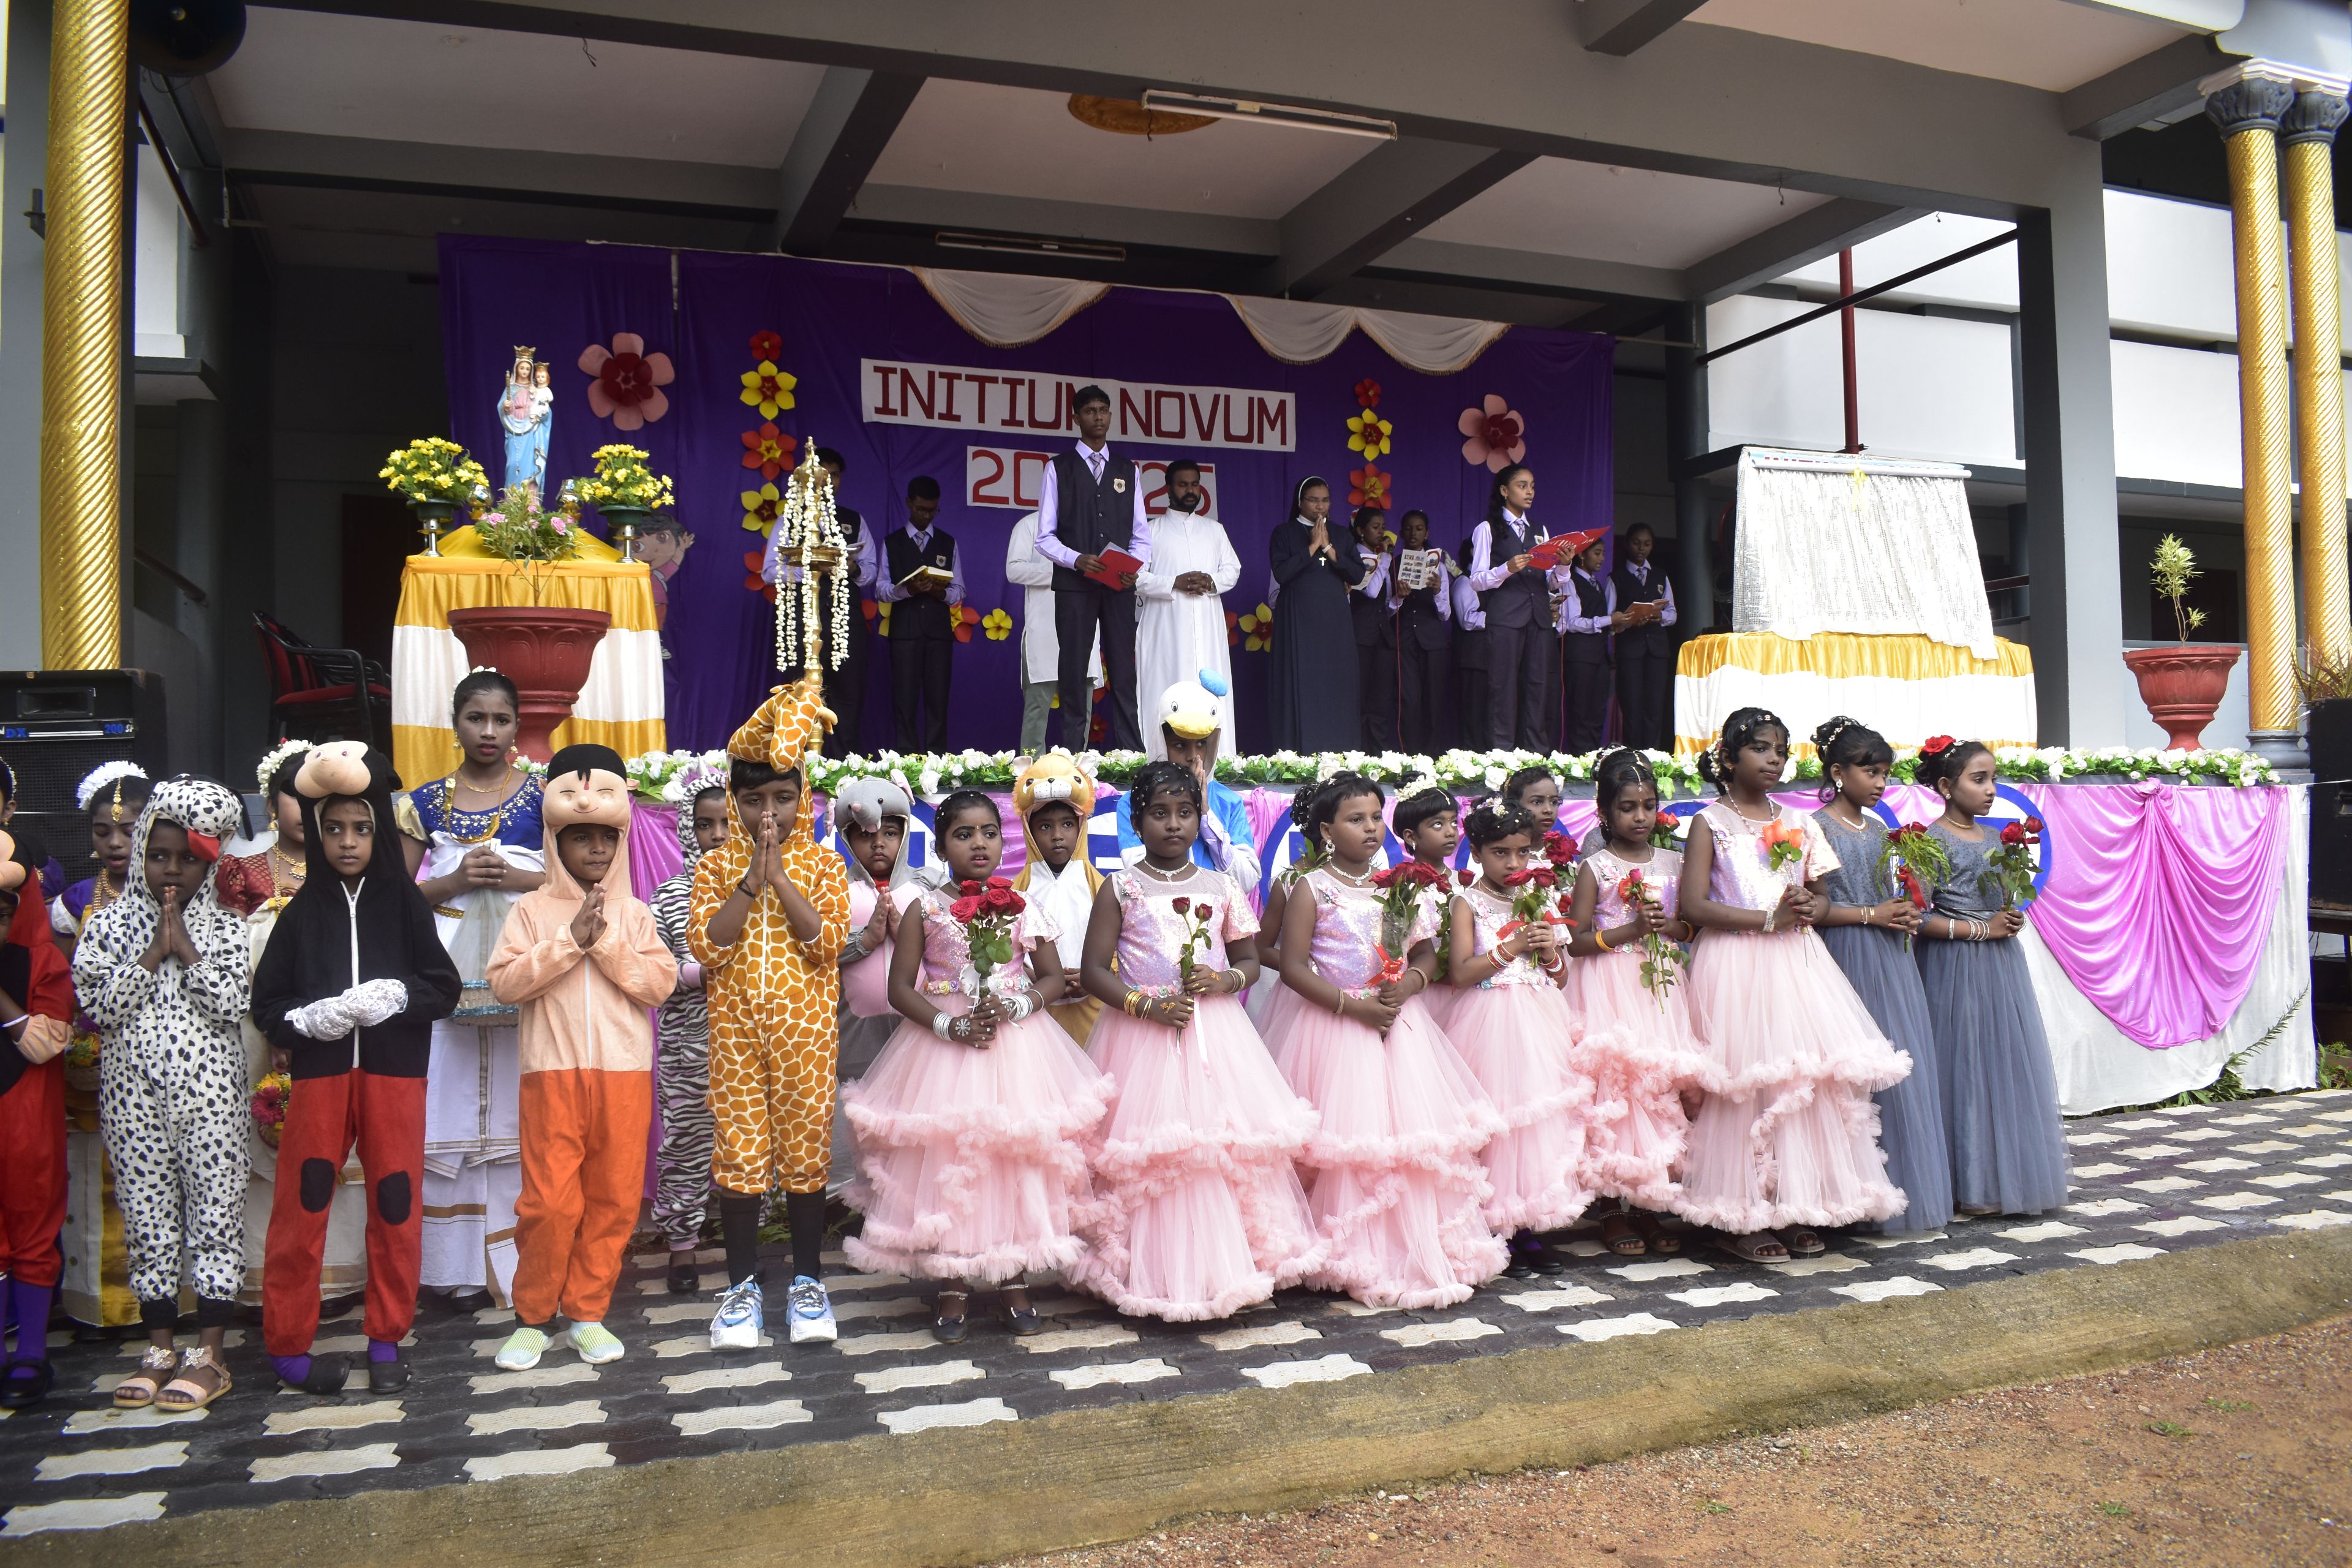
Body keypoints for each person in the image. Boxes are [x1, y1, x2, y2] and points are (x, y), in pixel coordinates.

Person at [843, 791, 1110, 1343]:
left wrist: (1017, 1005)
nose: (979, 844)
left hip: (1016, 1049)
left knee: (1012, 1159)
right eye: (963, 835)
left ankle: (1014, 1278)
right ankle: (953, 1283)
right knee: (954, 1164)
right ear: (941, 847)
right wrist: (950, 1026)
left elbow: (1051, 977)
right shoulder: (924, 908)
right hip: (945, 1050)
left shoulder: (1021, 905)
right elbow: (900, 988)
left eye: (989, 832)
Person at [1072, 761, 1323, 1320]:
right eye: (1159, 814)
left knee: (1218, 1146)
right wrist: (1145, 1005)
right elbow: (1093, 971)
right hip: (1141, 1035)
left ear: (1200, 818)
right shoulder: (1121, 887)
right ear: (1137, 821)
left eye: (1185, 813)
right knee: (1158, 1152)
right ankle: (1152, 1269)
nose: (1173, 825)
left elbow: (1250, 961)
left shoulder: (1222, 885)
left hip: (1216, 1033)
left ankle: (1226, 1266)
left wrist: (1223, 980)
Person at [253, 744, 463, 1395]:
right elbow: (268, 1007)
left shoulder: (404, 905)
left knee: (395, 1205)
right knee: (303, 1204)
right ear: (318, 835)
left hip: (394, 1078)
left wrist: (399, 996)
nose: (348, 842)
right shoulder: (299, 914)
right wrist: (307, 1021)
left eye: (362, 829)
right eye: (335, 829)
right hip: (320, 1080)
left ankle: (386, 1338)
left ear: (379, 831)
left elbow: (443, 988)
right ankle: (289, 1347)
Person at [1675, 708, 1910, 1262]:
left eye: (1780, 750)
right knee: (1745, 1083)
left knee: (1800, 1081)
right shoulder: (1710, 822)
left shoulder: (1802, 821)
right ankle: (1739, 1213)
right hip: (1735, 963)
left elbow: (1821, 898)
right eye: (1760, 748)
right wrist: (1766, 920)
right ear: (1728, 757)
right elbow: (1693, 906)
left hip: (1796, 962)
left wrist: (1808, 903)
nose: (1774, 759)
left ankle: (1793, 1205)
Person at [1265, 772, 1507, 1308]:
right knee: (1349, 1139)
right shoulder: (1312, 887)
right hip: (1334, 1025)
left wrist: (1412, 983)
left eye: (1376, 817)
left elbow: (1424, 952)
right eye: (1356, 819)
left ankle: (1409, 1242)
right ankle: (1345, 1247)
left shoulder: (1401, 885)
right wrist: (1354, 1007)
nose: (1371, 828)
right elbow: (1292, 966)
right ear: (1327, 831)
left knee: (1408, 1138)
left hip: (1399, 1024)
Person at [489, 747, 677, 1371]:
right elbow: (505, 983)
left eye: (606, 837)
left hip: (625, 1077)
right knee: (547, 1203)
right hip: (551, 1075)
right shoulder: (530, 911)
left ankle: (588, 1313)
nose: (596, 849)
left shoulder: (635, 913)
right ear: (556, 839)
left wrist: (605, 945)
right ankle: (533, 1318)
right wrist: (570, 942)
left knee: (614, 1199)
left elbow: (659, 985)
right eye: (581, 837)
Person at [73, 777, 250, 1411]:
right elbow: (99, 1007)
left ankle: (210, 1355)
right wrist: (153, 952)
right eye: (159, 855)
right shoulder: (106, 927)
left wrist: (189, 952)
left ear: (210, 864)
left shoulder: (229, 927)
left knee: (215, 1217)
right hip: (133, 1099)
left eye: (188, 860)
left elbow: (232, 1003)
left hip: (211, 1101)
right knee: (148, 1219)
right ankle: (158, 1350)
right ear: (142, 848)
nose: (172, 870)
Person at [688, 680, 853, 1349]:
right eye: (754, 800)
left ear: (803, 798)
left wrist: (781, 876)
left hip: (806, 1038)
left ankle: (809, 1284)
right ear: (735, 801)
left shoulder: (822, 866)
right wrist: (751, 878)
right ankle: (741, 1291)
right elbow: (708, 947)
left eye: (783, 798)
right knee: (740, 1155)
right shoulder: (715, 868)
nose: (769, 813)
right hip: (735, 1037)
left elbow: (827, 943)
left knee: (806, 1155)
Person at [398, 670, 547, 1310]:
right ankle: (452, 1271)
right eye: (475, 718)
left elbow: (576, 882)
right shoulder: (422, 803)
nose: (488, 731)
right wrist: (456, 880)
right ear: (455, 721)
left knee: (520, 1105)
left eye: (501, 720)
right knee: (448, 1104)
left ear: (517, 726)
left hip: (520, 962)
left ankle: (522, 1268)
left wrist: (514, 876)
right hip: (446, 969)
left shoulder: (545, 798)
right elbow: (395, 897)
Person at [218, 742, 375, 1313]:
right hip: (259, 1018)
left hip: (337, 1017)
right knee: (269, 1134)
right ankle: (269, 1277)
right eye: (293, 796)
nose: (305, 809)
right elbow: (228, 950)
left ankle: (339, 1275)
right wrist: (276, 1027)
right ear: (269, 803)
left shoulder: (352, 866)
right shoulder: (241, 869)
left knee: (337, 1138)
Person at [1807, 718, 1953, 1236]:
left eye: (1886, 774)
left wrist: (1906, 911)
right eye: (1870, 772)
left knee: (1895, 1068)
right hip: (1843, 955)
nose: (1880, 783)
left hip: (1891, 956)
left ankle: (1896, 1190)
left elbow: (1891, 894)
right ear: (1838, 772)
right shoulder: (1815, 828)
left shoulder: (1877, 830)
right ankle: (1848, 1196)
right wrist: (1874, 915)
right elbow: (1814, 909)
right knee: (1852, 1073)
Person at [1913, 737, 2070, 1218]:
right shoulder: (1930, 841)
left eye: (1993, 779)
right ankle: (1962, 1183)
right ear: (1946, 786)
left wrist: (2010, 916)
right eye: (1978, 779)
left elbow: (2000, 901)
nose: (1990, 789)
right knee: (1959, 1068)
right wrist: (1981, 929)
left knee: (1999, 1065)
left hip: (2000, 967)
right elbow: (1917, 916)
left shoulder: (1994, 838)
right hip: (1953, 966)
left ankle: (1999, 1180)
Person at [1562, 750, 1707, 1257]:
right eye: (1627, 808)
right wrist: (1630, 930)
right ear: (1604, 812)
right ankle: (1611, 1206)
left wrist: (1672, 927)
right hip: (1609, 985)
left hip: (1661, 985)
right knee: (1616, 1090)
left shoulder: (1674, 862)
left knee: (1656, 1089)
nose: (1640, 816)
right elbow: (1576, 941)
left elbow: (1690, 928)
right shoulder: (1595, 867)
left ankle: (1647, 1202)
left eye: (1648, 806)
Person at [1444, 801, 1595, 1276]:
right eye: (1500, 853)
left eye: (1523, 852)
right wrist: (1510, 947)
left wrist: (1549, 952)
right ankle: (1495, 1226)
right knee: (1499, 1121)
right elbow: (1460, 973)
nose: (1513, 863)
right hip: (1488, 1020)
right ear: (1476, 852)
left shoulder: (1537, 896)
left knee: (1536, 1122)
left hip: (1539, 1018)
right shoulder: (1466, 902)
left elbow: (1561, 977)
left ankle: (1529, 1224)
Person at [1035, 385, 1152, 751]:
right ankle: (1072, 755)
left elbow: (1141, 535)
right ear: (1076, 418)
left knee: (1123, 670)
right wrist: (1076, 559)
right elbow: (1044, 537)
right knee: (1073, 670)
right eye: (1090, 411)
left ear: (1111, 415)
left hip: (1119, 585)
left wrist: (1136, 566)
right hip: (1074, 586)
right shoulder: (1058, 467)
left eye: (1104, 410)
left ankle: (1131, 754)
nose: (1098, 417)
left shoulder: (1127, 469)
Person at [651, 755, 730, 1294]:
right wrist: (698, 973)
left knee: (751, 1143)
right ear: (687, 829)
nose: (717, 835)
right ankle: (682, 1247)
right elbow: (651, 972)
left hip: (752, 1044)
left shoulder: (765, 889)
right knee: (686, 1145)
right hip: (689, 1050)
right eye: (705, 824)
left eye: (727, 822)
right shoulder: (669, 896)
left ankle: (747, 1243)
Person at [0, 830, 72, 1408]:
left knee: (31, 1224)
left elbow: (46, 1042)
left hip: (25, 1115)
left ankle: (30, 1355)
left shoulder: (42, 961)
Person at [831, 774, 922, 1193]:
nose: (879, 844)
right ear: (848, 840)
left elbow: (948, 952)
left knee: (913, 1116)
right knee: (862, 1120)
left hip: (916, 1028)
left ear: (905, 834)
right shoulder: (833, 890)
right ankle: (862, 1204)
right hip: (856, 1030)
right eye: (866, 836)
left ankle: (910, 1200)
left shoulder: (925, 885)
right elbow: (816, 949)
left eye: (890, 833)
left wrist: (909, 937)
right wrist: (864, 940)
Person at [764, 447, 876, 758]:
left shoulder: (853, 520)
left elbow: (870, 572)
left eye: (834, 475)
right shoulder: (790, 519)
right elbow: (770, 571)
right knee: (800, 689)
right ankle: (798, 761)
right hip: (803, 616)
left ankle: (844, 765)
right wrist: (813, 567)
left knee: (848, 691)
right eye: (820, 475)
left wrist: (849, 567)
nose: (828, 482)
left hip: (845, 618)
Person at [1134, 459, 1240, 760]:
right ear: (1168, 489)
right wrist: (1174, 583)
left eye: (1195, 484)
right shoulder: (1150, 531)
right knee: (1164, 686)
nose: (1190, 490)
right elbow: (1135, 577)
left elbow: (1233, 570)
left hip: (1207, 624)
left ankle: (1217, 763)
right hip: (1165, 627)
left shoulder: (1215, 530)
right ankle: (1158, 762)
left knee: (1210, 691)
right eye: (1183, 485)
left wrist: (1211, 581)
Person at [1115, 679, 1259, 891]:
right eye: (1180, 745)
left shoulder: (1229, 802)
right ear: (1161, 743)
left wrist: (1206, 814)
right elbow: (1139, 878)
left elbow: (1246, 881)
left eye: (1201, 743)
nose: (1193, 756)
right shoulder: (1133, 801)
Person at [1009, 753, 1105, 1047]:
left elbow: (1118, 944)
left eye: (1067, 824)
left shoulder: (1102, 886)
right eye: (1045, 827)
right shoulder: (1015, 891)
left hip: (1096, 1008)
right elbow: (1009, 951)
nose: (1057, 836)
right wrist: (1032, 976)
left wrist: (1093, 977)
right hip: (1037, 1010)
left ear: (1081, 825)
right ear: (1029, 830)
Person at [1267, 477, 1367, 752]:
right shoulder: (1284, 533)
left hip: (1335, 624)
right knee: (1302, 685)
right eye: (1313, 500)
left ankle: (1340, 750)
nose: (1320, 506)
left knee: (1336, 685)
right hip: (1298, 621)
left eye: (1325, 500)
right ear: (1300, 502)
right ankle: (1299, 751)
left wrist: (1329, 549)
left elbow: (1357, 575)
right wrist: (1312, 546)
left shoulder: (1341, 534)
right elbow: (1282, 573)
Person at [1466, 465, 1553, 750]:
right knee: (1502, 687)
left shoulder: (1540, 530)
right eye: (1522, 485)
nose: (1530, 492)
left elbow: (1551, 581)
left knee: (1538, 686)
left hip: (1538, 616)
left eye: (1532, 486)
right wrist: (1506, 568)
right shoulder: (1487, 529)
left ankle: (1536, 754)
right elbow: (1477, 580)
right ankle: (1501, 754)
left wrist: (1564, 566)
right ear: (1505, 491)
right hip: (1505, 617)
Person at [878, 475, 963, 752]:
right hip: (904, 634)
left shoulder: (948, 543)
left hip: (939, 634)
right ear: (908, 503)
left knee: (938, 702)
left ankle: (937, 762)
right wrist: (908, 590)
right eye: (921, 509)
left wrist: (940, 593)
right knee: (904, 701)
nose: (926, 516)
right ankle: (906, 762)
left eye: (932, 511)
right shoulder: (892, 543)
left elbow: (959, 590)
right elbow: (881, 589)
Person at [1005, 509, 1101, 753]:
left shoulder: (1090, 521)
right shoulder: (1030, 524)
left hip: (1084, 627)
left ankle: (1078, 769)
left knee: (1082, 709)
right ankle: (1032, 769)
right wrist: (1064, 570)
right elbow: (1014, 570)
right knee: (1037, 711)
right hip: (1043, 631)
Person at [53, 762, 153, 952]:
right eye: (102, 832)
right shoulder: (74, 900)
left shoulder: (176, 892)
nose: (115, 842)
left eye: (130, 832)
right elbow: (61, 968)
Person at [1390, 511, 1454, 756]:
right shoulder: (1393, 564)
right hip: (1404, 640)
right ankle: (1410, 755)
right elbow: (1386, 610)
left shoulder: (1439, 567)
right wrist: (1398, 598)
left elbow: (1446, 614)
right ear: (1401, 533)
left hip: (1433, 643)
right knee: (1409, 700)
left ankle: (1432, 756)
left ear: (1426, 533)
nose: (1413, 533)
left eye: (1419, 529)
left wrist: (1437, 591)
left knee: (1433, 701)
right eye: (1408, 528)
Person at [1612, 523, 1676, 752]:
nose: (1641, 549)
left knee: (1655, 705)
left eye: (1647, 544)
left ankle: (1652, 754)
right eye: (1636, 543)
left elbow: (1672, 614)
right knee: (1632, 704)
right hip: (1630, 650)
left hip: (1657, 649)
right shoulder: (1616, 577)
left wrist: (1659, 617)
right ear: (1627, 544)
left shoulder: (1660, 576)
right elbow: (1611, 619)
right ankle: (1632, 754)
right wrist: (1629, 622)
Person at [1559, 536, 1615, 754]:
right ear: (1582, 555)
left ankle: (1593, 756)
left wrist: (1614, 625)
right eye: (1597, 553)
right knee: (1580, 711)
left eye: (1603, 554)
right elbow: (1572, 622)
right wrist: (1609, 620)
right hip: (1580, 657)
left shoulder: (1596, 584)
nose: (1601, 559)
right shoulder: (1571, 581)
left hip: (1599, 656)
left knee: (1597, 711)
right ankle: (1578, 758)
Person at [1349, 507, 1398, 751]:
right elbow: (1370, 591)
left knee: (1380, 700)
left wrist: (1400, 599)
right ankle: (1357, 752)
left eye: (1383, 527)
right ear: (1361, 531)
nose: (1381, 532)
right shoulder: (1357, 556)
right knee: (1360, 698)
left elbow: (1385, 602)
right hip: (1360, 635)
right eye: (1375, 527)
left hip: (1382, 636)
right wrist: (1385, 558)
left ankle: (1378, 753)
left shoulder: (1381, 560)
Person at [1451, 538, 1490, 753]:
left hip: (1489, 660)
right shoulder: (1465, 582)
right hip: (1471, 660)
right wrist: (1498, 617)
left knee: (1486, 716)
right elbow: (1467, 620)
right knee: (1472, 715)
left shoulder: (1488, 584)